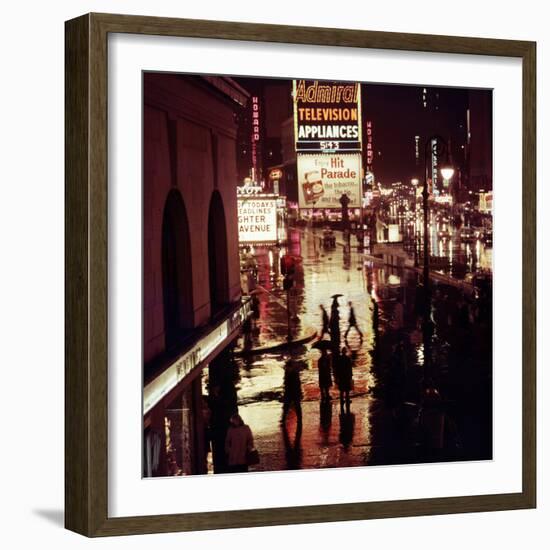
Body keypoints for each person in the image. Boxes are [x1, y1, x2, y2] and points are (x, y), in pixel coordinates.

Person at [336, 347, 353, 413]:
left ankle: (341, 401)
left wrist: (337, 377)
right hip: (346, 376)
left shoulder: (339, 359)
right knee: (347, 390)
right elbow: (350, 368)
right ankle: (347, 400)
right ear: (345, 352)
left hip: (341, 377)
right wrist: (351, 376)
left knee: (342, 390)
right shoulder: (348, 359)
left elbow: (337, 369)